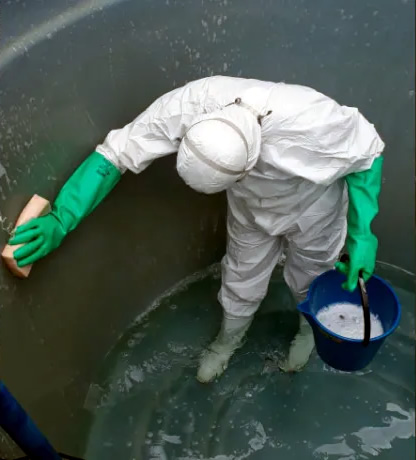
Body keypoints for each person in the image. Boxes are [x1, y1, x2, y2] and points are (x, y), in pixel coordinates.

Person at [9, 76, 384, 383]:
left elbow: (368, 153)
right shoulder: (189, 105)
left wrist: (362, 233)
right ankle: (227, 341)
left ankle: (308, 332)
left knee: (312, 278)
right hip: (249, 209)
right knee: (241, 276)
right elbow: (116, 153)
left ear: (251, 161)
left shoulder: (310, 120)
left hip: (313, 208)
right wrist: (62, 217)